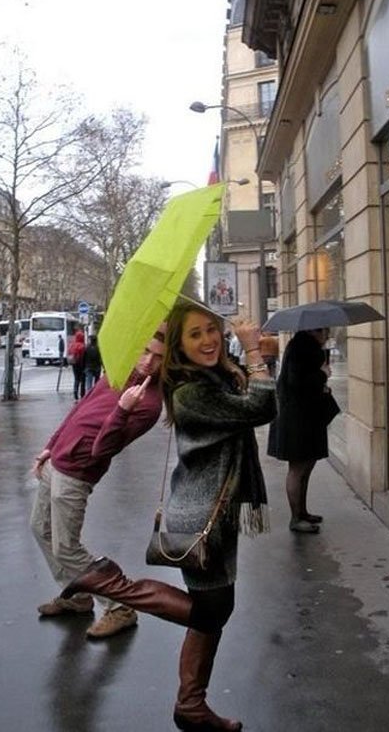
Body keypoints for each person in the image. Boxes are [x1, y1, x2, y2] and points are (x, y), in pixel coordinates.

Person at [60, 303, 276, 731]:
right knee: (211, 612)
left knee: (216, 607)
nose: (208, 340)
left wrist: (249, 359)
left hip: (219, 509)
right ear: (179, 346)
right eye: (194, 335)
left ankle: (191, 705)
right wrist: (253, 355)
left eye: (211, 330)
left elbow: (247, 395)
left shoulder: (210, 377)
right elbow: (259, 408)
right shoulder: (191, 393)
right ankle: (110, 583)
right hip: (200, 515)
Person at [30, 327, 166, 640]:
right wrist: (50, 446)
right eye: (145, 351)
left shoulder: (148, 405)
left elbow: (102, 449)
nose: (148, 362)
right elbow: (80, 409)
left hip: (77, 474)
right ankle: (77, 596)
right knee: (40, 529)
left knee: (67, 547)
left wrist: (123, 410)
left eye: (158, 357)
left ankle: (120, 607)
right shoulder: (119, 372)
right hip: (56, 462)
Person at [267, 327, 334, 534]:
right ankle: (296, 517)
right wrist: (322, 375)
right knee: (298, 469)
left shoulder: (304, 347)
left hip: (304, 418)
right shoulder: (301, 348)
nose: (327, 335)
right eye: (324, 331)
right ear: (315, 332)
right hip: (297, 420)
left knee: (306, 466)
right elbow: (297, 382)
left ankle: (302, 512)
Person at [68, 329, 86, 400]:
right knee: (82, 380)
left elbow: (69, 353)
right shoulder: (82, 346)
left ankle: (75, 392)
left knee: (76, 379)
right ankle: (82, 394)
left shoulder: (72, 345)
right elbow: (84, 356)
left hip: (74, 364)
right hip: (81, 365)